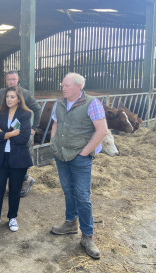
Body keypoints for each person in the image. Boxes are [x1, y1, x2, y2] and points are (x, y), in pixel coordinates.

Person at [50, 73, 108, 259]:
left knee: (82, 195)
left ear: (78, 87)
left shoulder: (93, 104)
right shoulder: (59, 103)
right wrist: (53, 143)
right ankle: (70, 223)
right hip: (61, 155)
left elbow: (102, 131)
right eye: (62, 85)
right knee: (68, 190)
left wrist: (85, 152)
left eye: (66, 85)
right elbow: (55, 124)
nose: (63, 88)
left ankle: (87, 236)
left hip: (80, 157)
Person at [0, 86, 33, 235]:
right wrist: (9, 134)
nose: (9, 99)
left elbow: (23, 138)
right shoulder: (0, 113)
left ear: (19, 99)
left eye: (12, 97)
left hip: (18, 159)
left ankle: (12, 218)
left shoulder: (25, 114)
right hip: (1, 157)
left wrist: (2, 134)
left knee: (15, 190)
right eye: (7, 96)